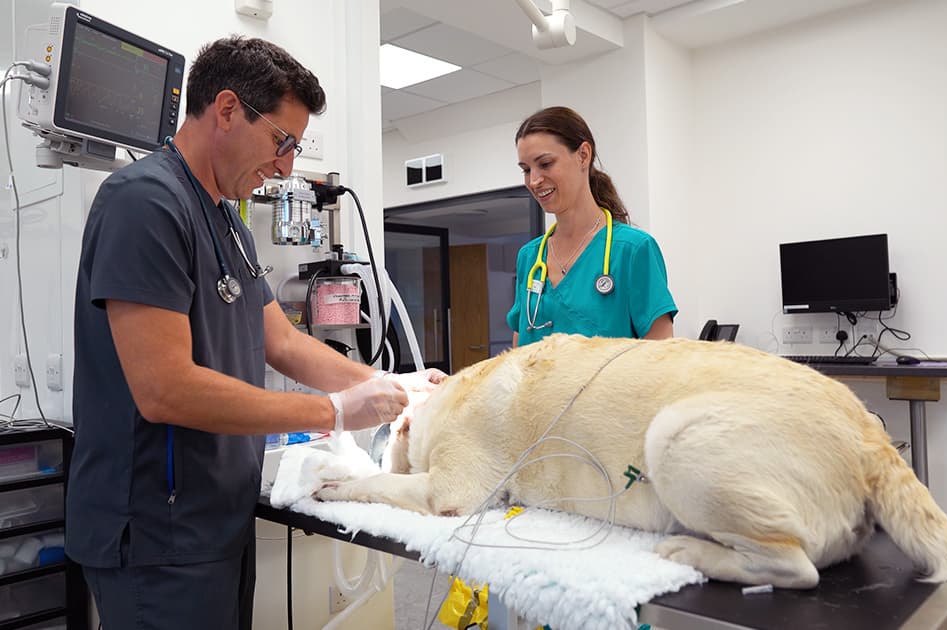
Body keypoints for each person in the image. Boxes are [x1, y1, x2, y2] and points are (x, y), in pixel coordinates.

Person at [65, 36, 442, 630]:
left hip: (216, 519)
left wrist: (392, 382)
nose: (287, 166)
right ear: (226, 109)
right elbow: (164, 388)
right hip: (156, 533)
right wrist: (334, 412)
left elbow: (284, 343)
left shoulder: (228, 223)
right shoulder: (145, 203)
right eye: (281, 142)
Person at [507, 106, 678, 347]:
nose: (533, 180)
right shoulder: (530, 257)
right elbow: (518, 354)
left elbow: (662, 356)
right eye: (526, 170)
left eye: (545, 164)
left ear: (583, 155)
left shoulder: (633, 250)